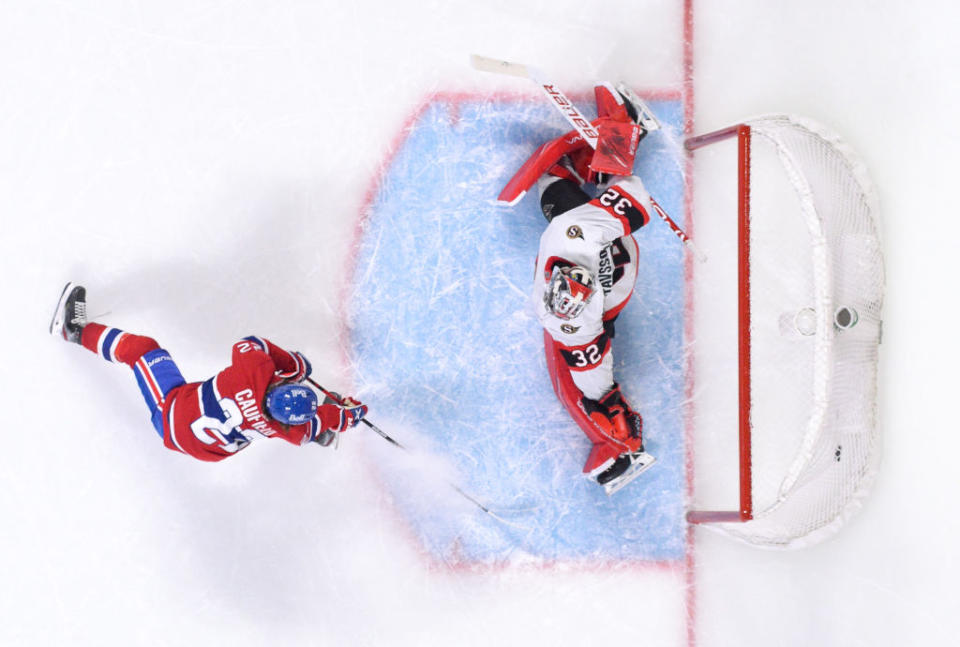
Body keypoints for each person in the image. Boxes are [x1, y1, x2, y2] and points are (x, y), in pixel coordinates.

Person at [520, 83, 667, 494]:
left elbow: (633, 202)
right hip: (608, 291)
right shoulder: (571, 323)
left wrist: (624, 196)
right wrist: (610, 411)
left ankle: (626, 127)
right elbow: (594, 379)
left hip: (613, 270)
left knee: (555, 186)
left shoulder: (571, 239)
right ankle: (622, 129)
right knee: (557, 190)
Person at [49, 283, 367, 462]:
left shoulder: (252, 373)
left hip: (173, 414)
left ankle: (73, 331)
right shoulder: (290, 431)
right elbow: (327, 421)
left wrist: (292, 365)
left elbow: (250, 343)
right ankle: (324, 439)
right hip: (211, 451)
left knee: (144, 351)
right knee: (310, 431)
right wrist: (344, 415)